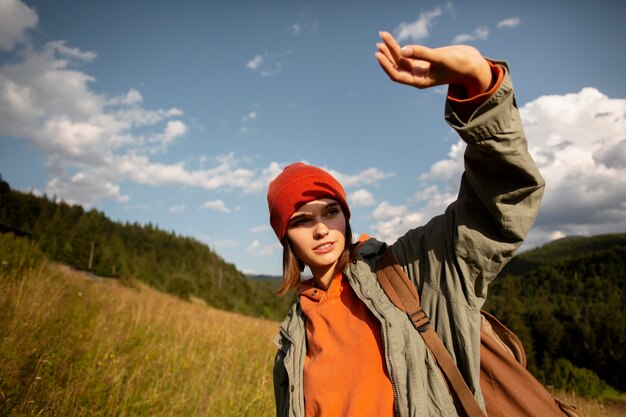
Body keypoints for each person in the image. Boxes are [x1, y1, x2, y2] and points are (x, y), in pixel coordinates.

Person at [266, 31, 545, 417]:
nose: (320, 229)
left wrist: (478, 85)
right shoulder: (293, 336)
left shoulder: (409, 269)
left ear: (346, 216)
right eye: (301, 221)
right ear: (286, 238)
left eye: (330, 211)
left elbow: (501, 200)